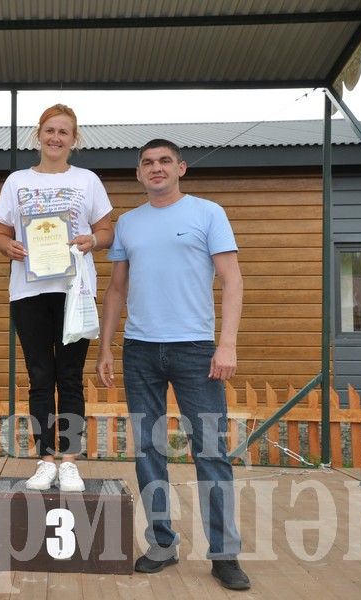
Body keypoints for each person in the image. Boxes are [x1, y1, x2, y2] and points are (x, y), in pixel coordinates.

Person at [95, 139, 249, 590]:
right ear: (139, 174)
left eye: (164, 161)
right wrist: (106, 347)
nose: (156, 168)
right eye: (147, 163)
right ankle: (162, 544)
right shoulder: (127, 223)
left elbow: (232, 279)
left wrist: (228, 344)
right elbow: (117, 290)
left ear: (180, 168)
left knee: (211, 453)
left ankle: (224, 555)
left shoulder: (207, 213)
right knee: (148, 451)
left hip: (197, 350)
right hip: (140, 350)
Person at [0, 104, 113, 493]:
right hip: (28, 291)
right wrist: (6, 245)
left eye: (64, 132)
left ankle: (71, 461)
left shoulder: (88, 180)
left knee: (70, 377)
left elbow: (106, 230)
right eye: (49, 130)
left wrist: (92, 240)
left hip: (74, 291)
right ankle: (46, 459)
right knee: (40, 378)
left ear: (74, 139)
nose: (55, 138)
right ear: (38, 135)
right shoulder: (16, 181)